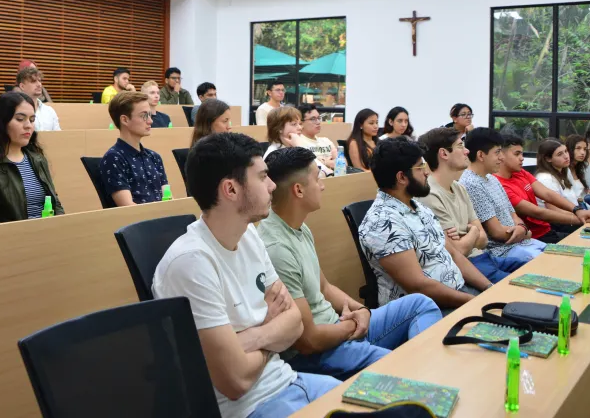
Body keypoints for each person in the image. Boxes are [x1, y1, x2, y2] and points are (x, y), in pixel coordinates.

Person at [152, 133, 340, 418]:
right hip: (250, 408)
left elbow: (295, 323)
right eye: (262, 177)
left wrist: (250, 338)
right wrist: (269, 329)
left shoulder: (249, 235)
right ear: (231, 189)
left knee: (391, 408)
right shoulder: (191, 263)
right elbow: (236, 381)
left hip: (289, 381)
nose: (272, 185)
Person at [258, 147, 441, 380]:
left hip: (339, 329)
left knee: (421, 304)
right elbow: (308, 341)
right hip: (319, 352)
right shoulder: (277, 249)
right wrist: (351, 326)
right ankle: (424, 374)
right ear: (298, 190)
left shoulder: (299, 226)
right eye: (317, 179)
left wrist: (361, 311)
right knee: (397, 367)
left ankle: (426, 369)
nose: (322, 185)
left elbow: (325, 288)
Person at [359, 138, 493, 311]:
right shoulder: (383, 222)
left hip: (459, 292)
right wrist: (473, 301)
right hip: (427, 309)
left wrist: (488, 288)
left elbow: (453, 254)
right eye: (420, 167)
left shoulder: (418, 207)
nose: (427, 172)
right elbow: (418, 286)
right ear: (401, 177)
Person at [418, 128, 527, 283]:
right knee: (522, 284)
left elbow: (483, 240)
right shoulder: (430, 194)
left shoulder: (459, 188)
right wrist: (474, 231)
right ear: (444, 154)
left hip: (483, 256)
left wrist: (469, 235)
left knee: (534, 267)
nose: (467, 151)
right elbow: (458, 251)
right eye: (460, 146)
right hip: (467, 266)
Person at [0, 92, 63, 225]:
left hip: (47, 232)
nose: (28, 125)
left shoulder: (37, 158)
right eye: (20, 119)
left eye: (32, 120)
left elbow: (56, 204)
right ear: (1, 122)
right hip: (10, 236)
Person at [459, 128, 548, 256]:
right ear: (481, 155)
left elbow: (514, 216)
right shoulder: (471, 183)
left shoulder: (492, 178)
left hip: (521, 243)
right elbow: (497, 232)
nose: (501, 157)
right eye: (497, 152)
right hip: (502, 251)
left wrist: (522, 229)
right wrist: (524, 232)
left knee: (560, 253)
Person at [494, 133, 590, 241]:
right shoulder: (500, 185)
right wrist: (582, 219)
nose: (522, 158)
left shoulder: (520, 172)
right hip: (534, 237)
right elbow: (538, 212)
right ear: (500, 155)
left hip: (546, 230)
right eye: (517, 154)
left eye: (522, 154)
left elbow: (547, 194)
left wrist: (578, 210)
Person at [100, 91, 168, 206]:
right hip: (141, 217)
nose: (150, 121)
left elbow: (168, 197)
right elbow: (128, 207)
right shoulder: (114, 158)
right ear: (125, 120)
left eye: (150, 115)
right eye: (144, 115)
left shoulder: (154, 157)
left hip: (162, 215)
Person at [535, 138, 586, 208]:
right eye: (560, 154)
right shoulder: (546, 179)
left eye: (566, 151)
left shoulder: (565, 170)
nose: (566, 156)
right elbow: (554, 210)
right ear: (548, 159)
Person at [16, 66, 60, 131]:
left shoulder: (50, 111)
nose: (39, 84)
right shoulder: (15, 110)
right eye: (33, 81)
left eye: (39, 81)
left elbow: (58, 135)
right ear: (22, 86)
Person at [297, 104, 337, 173]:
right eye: (313, 119)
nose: (318, 122)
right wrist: (329, 162)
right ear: (301, 123)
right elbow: (308, 167)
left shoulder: (326, 141)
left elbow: (342, 163)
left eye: (319, 118)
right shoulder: (298, 142)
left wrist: (322, 161)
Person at [566, 134, 590, 207]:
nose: (582, 152)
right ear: (569, 149)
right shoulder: (565, 170)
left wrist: (587, 192)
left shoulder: (579, 169)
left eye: (584, 149)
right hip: (574, 209)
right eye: (578, 148)